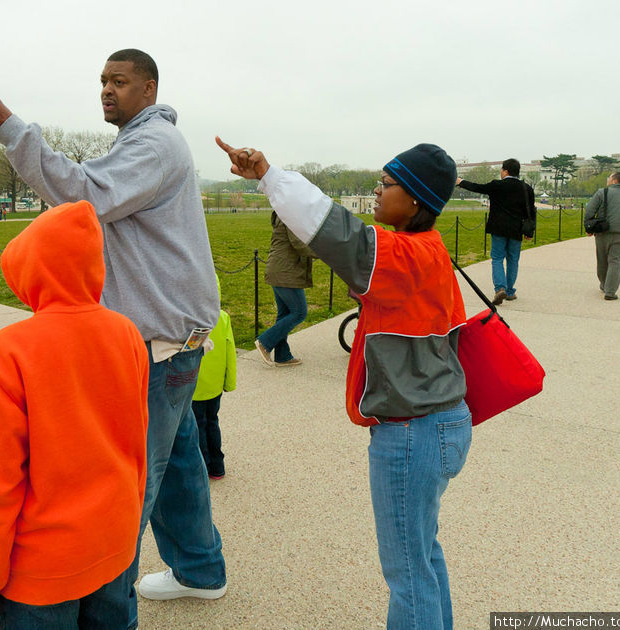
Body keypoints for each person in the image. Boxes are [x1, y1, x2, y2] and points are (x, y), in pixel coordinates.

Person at [0, 47, 225, 629]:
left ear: (149, 89)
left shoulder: (153, 144)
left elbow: (82, 195)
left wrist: (10, 128)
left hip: (160, 337)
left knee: (135, 477)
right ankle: (201, 571)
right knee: (176, 457)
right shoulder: (142, 142)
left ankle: (110, 601)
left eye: (121, 81)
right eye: (103, 80)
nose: (108, 90)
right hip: (173, 334)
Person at [217, 137, 472, 630]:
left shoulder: (402, 256)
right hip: (441, 421)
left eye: (386, 183)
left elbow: (334, 230)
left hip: (412, 431)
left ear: (416, 198)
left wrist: (270, 176)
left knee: (407, 571)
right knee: (422, 554)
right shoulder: (428, 249)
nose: (376, 192)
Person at [0, 200, 149, 630]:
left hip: (41, 570)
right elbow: (138, 445)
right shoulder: (127, 334)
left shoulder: (7, 352)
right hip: (114, 544)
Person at [456, 158, 535, 304]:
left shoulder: (497, 185)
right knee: (513, 260)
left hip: (498, 227)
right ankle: (510, 291)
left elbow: (477, 187)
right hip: (516, 229)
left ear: (505, 171)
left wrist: (461, 182)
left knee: (497, 259)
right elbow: (531, 211)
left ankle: (500, 288)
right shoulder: (526, 188)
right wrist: (530, 232)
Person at [253, 211, 316, 367]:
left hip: (279, 268)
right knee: (299, 312)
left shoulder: (285, 212)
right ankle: (265, 342)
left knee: (285, 313)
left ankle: (283, 356)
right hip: (285, 271)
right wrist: (322, 252)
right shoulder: (291, 214)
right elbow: (299, 244)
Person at [192, 276, 237, 480]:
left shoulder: (189, 319)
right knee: (212, 421)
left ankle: (202, 466)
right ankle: (217, 465)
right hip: (216, 384)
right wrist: (230, 382)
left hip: (194, 385)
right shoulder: (222, 317)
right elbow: (230, 350)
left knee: (198, 425)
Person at [585, 171, 620, 300]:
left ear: (614, 181)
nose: (607, 179)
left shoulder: (602, 193)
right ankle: (610, 291)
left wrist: (589, 227)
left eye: (609, 177)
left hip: (603, 233)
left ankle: (604, 284)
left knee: (602, 261)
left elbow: (590, 210)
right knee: (615, 262)